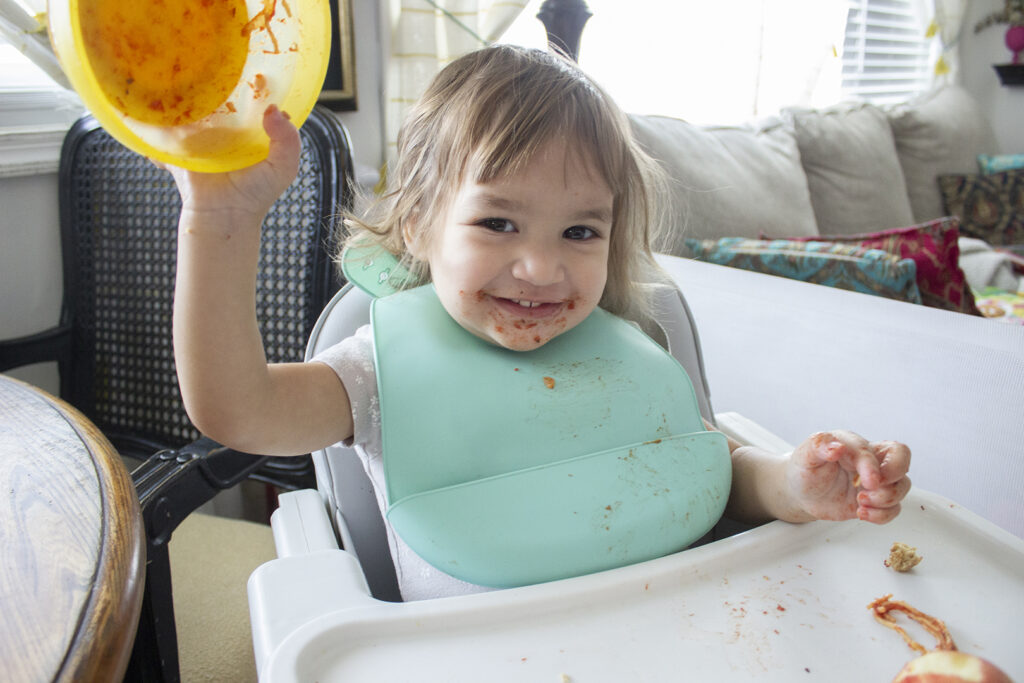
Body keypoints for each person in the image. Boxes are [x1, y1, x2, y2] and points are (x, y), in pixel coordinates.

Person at [168, 45, 911, 601]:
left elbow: (706, 471)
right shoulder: (374, 373)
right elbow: (238, 408)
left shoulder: (631, 347)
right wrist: (221, 220)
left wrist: (788, 484)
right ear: (423, 223)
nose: (540, 268)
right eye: (498, 222)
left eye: (580, 233)